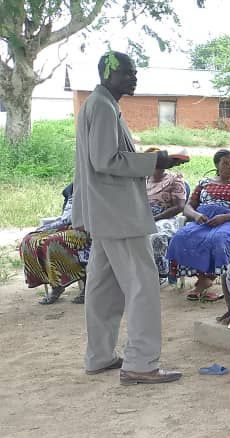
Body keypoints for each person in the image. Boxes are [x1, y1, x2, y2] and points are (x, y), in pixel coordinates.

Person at [73, 51, 185, 384]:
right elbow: (105, 160)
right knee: (143, 285)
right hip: (118, 213)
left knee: (103, 287)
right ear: (107, 73)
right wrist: (157, 161)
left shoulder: (99, 104)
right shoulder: (103, 107)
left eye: (135, 72)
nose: (133, 78)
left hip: (106, 212)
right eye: (126, 73)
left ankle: (100, 355)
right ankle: (140, 363)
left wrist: (151, 160)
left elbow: (102, 160)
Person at [166, 149, 230, 301]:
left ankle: (207, 280)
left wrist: (224, 217)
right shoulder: (205, 183)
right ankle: (201, 278)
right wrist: (196, 215)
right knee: (181, 237)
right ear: (217, 165)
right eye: (226, 163)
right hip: (203, 219)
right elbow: (188, 206)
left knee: (217, 239)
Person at [19, 186, 90, 305]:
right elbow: (66, 217)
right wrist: (43, 229)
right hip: (67, 225)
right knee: (28, 240)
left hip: (88, 229)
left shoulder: (98, 185)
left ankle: (86, 284)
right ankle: (55, 283)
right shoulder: (73, 188)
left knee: (51, 243)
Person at [144, 147, 187, 282]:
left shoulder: (175, 179)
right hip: (143, 216)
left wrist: (156, 217)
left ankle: (159, 274)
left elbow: (179, 206)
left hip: (166, 217)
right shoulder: (143, 179)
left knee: (156, 236)